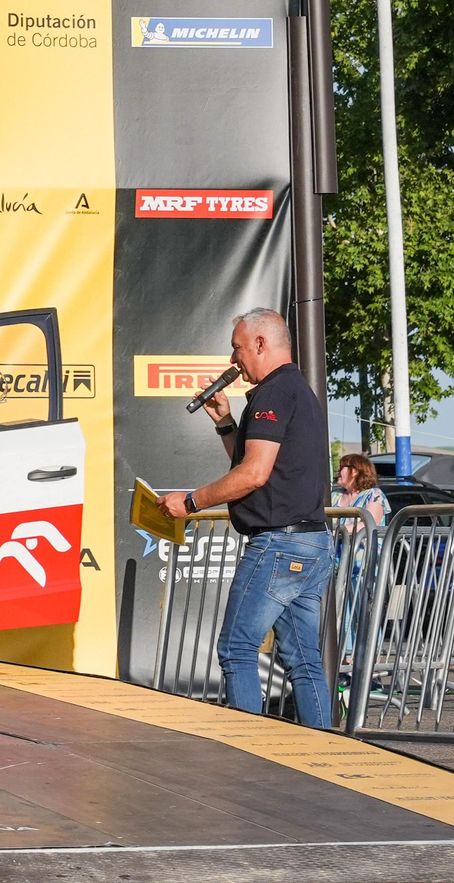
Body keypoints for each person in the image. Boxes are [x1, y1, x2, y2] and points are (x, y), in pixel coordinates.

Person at [162, 308, 333, 728]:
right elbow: (258, 467)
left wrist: (191, 501)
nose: (233, 360)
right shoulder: (297, 391)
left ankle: (249, 757)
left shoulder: (273, 393)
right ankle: (329, 757)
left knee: (237, 649)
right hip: (312, 542)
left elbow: (253, 475)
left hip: (278, 544)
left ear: (261, 343)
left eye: (237, 348)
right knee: (304, 661)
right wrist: (224, 422)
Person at [334, 453, 388, 529]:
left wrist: (335, 532)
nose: (337, 472)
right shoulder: (334, 495)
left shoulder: (374, 495)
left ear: (354, 471)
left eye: (341, 468)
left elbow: (370, 523)